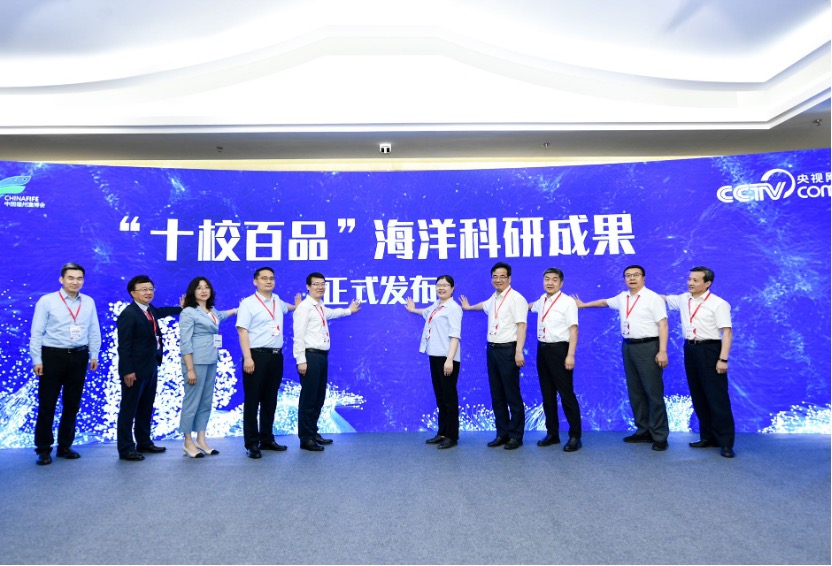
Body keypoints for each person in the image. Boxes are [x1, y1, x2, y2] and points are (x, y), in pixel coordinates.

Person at [574, 265, 670, 451]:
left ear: (643, 277)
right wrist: (583, 305)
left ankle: (660, 435)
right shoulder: (623, 297)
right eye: (628, 275)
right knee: (635, 391)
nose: (632, 278)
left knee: (653, 392)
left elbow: (663, 325)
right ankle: (643, 430)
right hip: (628, 346)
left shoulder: (653, 298)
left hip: (649, 347)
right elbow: (604, 302)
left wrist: (662, 350)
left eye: (636, 275)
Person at [29, 263, 101, 466]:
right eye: (71, 278)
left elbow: (93, 329)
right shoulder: (47, 301)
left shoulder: (88, 302)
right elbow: (36, 332)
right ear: (61, 280)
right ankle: (43, 449)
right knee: (47, 405)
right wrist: (37, 359)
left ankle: (65, 446)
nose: (75, 282)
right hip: (52, 356)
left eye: (79, 278)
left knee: (72, 405)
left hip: (79, 356)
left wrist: (94, 354)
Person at [663, 267, 735, 458]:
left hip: (710, 350)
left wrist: (723, 359)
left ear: (707, 283)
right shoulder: (684, 299)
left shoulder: (718, 304)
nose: (690, 283)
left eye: (695, 280)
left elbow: (727, 333)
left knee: (717, 397)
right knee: (699, 395)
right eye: (689, 279)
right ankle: (708, 437)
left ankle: (726, 443)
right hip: (690, 349)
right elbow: (664, 299)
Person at [460, 262, 528, 450]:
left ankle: (516, 436)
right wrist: (468, 307)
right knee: (497, 394)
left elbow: (522, 326)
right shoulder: (495, 297)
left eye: (502, 276)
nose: (498, 280)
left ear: (509, 278)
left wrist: (518, 351)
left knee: (512, 394)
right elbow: (484, 306)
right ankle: (502, 433)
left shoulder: (517, 299)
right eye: (495, 277)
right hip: (492, 349)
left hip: (509, 350)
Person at [116, 275, 182, 461]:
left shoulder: (148, 309)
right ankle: (126, 448)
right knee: (129, 409)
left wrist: (181, 309)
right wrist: (128, 371)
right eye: (143, 289)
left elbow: (161, 312)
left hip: (150, 366)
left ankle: (144, 442)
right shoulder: (129, 314)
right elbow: (124, 346)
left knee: (145, 407)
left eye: (150, 289)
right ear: (133, 293)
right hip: (134, 371)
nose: (148, 292)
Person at [293, 272, 360, 452]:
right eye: (316, 284)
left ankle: (313, 432)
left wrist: (349, 310)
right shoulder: (304, 308)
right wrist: (301, 360)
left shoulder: (320, 306)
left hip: (322, 356)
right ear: (308, 286)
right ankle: (305, 438)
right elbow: (298, 336)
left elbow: (332, 313)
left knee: (319, 397)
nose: (320, 287)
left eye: (322, 284)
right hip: (310, 356)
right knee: (308, 399)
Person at [236, 267, 299, 459]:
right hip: (256, 356)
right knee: (253, 400)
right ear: (255, 281)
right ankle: (251, 443)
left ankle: (267, 439)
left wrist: (297, 306)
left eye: (271, 278)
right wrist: (248, 357)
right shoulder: (248, 303)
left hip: (275, 356)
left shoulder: (277, 301)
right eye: (264, 278)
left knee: (270, 400)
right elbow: (242, 331)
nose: (268, 281)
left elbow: (287, 308)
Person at [178, 277, 237, 458]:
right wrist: (190, 369)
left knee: (205, 402)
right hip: (195, 362)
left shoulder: (212, 311)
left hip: (211, 360)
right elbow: (185, 343)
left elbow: (222, 316)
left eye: (206, 287)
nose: (203, 291)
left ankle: (201, 439)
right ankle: (188, 441)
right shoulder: (188, 312)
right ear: (192, 292)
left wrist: (237, 310)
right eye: (199, 288)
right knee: (192, 402)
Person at [405, 275, 462, 450]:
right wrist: (413, 309)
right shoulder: (437, 305)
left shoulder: (453, 308)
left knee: (449, 398)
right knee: (441, 397)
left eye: (445, 285)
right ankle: (442, 432)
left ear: (452, 288)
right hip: (434, 356)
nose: (441, 288)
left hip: (447, 358)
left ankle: (452, 436)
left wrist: (449, 359)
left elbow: (455, 336)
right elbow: (427, 313)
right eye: (439, 285)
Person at [530, 268, 582, 452]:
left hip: (560, 350)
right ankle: (552, 434)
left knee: (566, 395)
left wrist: (570, 355)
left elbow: (574, 330)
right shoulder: (542, 300)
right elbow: (529, 306)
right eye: (546, 279)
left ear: (561, 283)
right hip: (542, 350)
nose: (549, 282)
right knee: (547, 394)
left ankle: (575, 436)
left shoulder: (568, 302)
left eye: (554, 279)